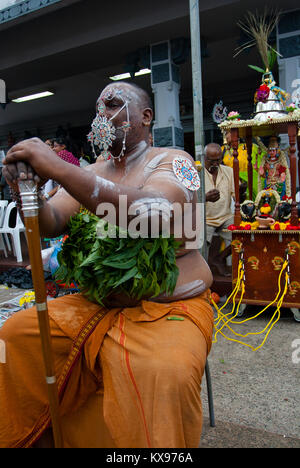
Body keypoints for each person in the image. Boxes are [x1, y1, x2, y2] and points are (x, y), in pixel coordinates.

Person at [0, 81, 214, 448]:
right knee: (13, 337)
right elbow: (51, 222)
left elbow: (154, 214)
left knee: (166, 373)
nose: (103, 113)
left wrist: (60, 168)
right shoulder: (94, 170)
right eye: (99, 106)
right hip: (99, 303)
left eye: (113, 104)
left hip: (170, 304)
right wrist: (27, 191)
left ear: (146, 117)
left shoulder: (174, 161)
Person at [205, 143, 235, 276]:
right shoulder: (196, 172)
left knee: (243, 237)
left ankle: (220, 258)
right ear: (205, 158)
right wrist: (205, 198)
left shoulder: (228, 171)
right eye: (213, 160)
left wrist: (242, 191)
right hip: (205, 219)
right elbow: (189, 199)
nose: (216, 163)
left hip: (225, 217)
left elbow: (236, 195)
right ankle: (204, 275)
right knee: (199, 248)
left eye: (219, 160)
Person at [222, 130, 264, 200]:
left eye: (228, 132)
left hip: (251, 182)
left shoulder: (252, 147)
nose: (227, 135)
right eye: (226, 133)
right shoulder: (223, 150)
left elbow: (262, 162)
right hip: (232, 184)